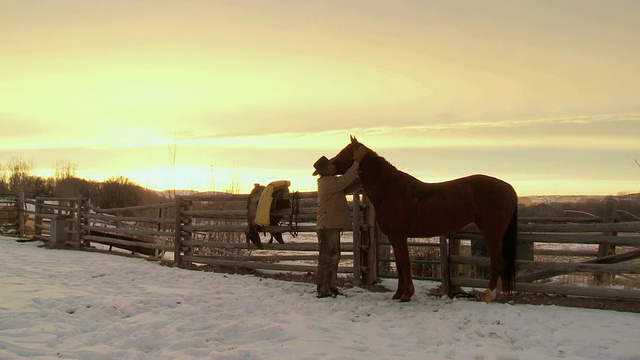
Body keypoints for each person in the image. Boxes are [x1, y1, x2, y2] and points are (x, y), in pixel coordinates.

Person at [312, 145, 366, 298]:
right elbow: (345, 182)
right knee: (328, 257)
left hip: (330, 224)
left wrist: (359, 178)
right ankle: (324, 289)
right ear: (325, 170)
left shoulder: (329, 182)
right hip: (328, 225)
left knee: (333, 256)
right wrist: (356, 163)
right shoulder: (327, 182)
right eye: (330, 165)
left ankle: (330, 286)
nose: (333, 166)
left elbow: (346, 186)